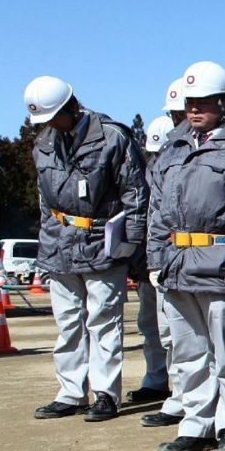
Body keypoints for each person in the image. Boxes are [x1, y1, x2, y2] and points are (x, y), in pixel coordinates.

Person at [150, 61, 225, 451]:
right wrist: (155, 258)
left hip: (220, 262)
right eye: (190, 101)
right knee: (188, 352)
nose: (193, 109)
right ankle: (196, 423)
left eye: (204, 101)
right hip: (176, 263)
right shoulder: (174, 145)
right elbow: (157, 207)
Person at [25, 75, 148, 422]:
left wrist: (131, 243)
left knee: (103, 321)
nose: (48, 125)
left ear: (70, 107)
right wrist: (47, 240)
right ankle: (70, 392)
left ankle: (106, 393)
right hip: (59, 245)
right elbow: (42, 198)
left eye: (53, 117)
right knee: (67, 323)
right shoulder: (44, 143)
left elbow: (136, 194)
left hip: (101, 241)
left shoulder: (112, 137)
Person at [140, 85, 190, 428]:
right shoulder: (167, 154)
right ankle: (180, 394)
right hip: (170, 254)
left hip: (204, 255)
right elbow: (155, 213)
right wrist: (153, 258)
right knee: (171, 333)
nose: (178, 121)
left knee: (216, 339)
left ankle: (206, 403)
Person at [126, 112, 178, 407]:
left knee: (176, 331)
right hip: (150, 260)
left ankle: (182, 390)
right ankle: (156, 379)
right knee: (150, 325)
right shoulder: (146, 173)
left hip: (178, 258)